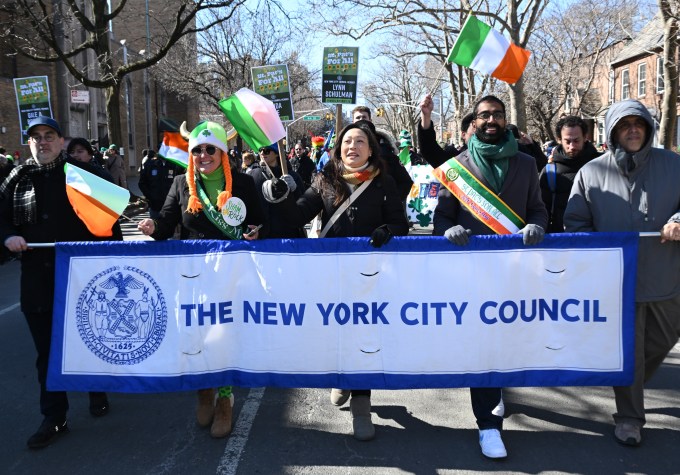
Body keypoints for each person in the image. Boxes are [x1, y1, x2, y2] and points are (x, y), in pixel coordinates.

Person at [263, 121, 409, 441]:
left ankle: (361, 403)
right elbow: (296, 217)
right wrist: (280, 195)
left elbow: (400, 223)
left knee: (364, 337)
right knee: (336, 334)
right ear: (338, 148)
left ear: (371, 149)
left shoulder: (384, 182)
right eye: (346, 142)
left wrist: (389, 231)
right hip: (331, 275)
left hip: (371, 276)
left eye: (359, 141)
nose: (351, 146)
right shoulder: (324, 179)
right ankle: (341, 377)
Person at [430, 96, 548, 459]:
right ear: (475, 122)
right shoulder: (455, 168)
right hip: (473, 275)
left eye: (497, 114)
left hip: (515, 273)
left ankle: (496, 397)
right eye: (484, 115)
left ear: (505, 119)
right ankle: (488, 425)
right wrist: (447, 232)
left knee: (509, 343)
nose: (491, 119)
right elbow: (442, 219)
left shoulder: (527, 164)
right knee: (484, 347)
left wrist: (536, 226)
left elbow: (539, 210)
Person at [0, 116, 122, 449]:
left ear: (61, 140)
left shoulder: (84, 175)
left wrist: (109, 261)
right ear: (29, 143)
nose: (43, 142)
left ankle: (96, 390)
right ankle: (54, 417)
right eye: (36, 137)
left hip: (83, 278)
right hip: (37, 277)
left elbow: (110, 219)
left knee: (89, 338)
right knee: (47, 352)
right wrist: (9, 236)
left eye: (49, 135)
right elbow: (1, 222)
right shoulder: (15, 179)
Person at [563, 99, 680, 447]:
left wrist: (677, 220)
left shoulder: (673, 165)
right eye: (625, 124)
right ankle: (629, 418)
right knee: (630, 352)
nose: (632, 129)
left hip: (666, 277)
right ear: (613, 131)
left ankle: (627, 377)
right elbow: (575, 224)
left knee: (661, 342)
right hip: (617, 283)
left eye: (639, 124)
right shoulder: (591, 173)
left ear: (648, 128)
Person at [137, 121, 265, 439]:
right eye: (197, 150)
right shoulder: (182, 183)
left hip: (233, 273)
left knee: (222, 336)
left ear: (223, 153)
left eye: (210, 149)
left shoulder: (244, 183)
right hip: (193, 274)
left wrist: (256, 230)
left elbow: (261, 219)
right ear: (190, 153)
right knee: (195, 334)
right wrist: (153, 226)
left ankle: (224, 399)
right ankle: (203, 390)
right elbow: (167, 219)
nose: (203, 155)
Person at [538, 116, 600, 233]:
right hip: (561, 240)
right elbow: (541, 210)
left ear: (585, 137)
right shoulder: (550, 172)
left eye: (576, 141)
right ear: (559, 139)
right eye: (567, 141)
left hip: (596, 240)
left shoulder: (601, 166)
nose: (572, 146)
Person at [352, 105, 413, 202]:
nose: (361, 120)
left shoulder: (386, 150)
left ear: (370, 120)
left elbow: (405, 182)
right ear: (353, 122)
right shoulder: (345, 149)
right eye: (358, 118)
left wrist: (390, 201)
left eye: (364, 117)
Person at [246, 143, 306, 238]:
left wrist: (295, 189)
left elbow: (304, 205)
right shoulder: (252, 175)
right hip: (262, 237)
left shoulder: (292, 176)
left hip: (289, 236)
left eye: (266, 150)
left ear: (277, 153)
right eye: (260, 150)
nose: (262, 153)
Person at [418, 93, 474, 167]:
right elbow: (429, 149)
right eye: (475, 126)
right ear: (464, 135)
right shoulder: (455, 159)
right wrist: (426, 116)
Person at [138, 150, 179, 220]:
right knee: (155, 228)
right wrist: (150, 196)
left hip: (171, 206)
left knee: (169, 229)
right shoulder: (150, 164)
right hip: (155, 206)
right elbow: (142, 183)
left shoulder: (175, 166)